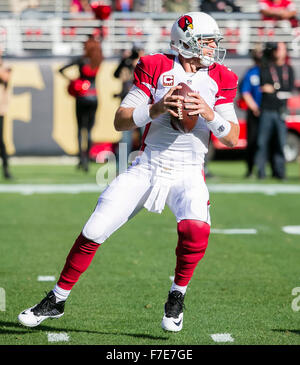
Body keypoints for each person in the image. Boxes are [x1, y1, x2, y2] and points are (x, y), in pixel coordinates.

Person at [18, 12, 239, 333]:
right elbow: (120, 120)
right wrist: (159, 107)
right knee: (95, 228)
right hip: (146, 165)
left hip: (189, 171)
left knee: (196, 230)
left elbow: (231, 137)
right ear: (186, 42)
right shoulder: (155, 66)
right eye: (206, 42)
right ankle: (57, 300)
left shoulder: (221, 76)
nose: (212, 48)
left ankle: (177, 296)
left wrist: (207, 112)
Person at [58, 36, 103, 172]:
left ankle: (80, 159)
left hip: (82, 96)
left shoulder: (81, 60)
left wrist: (73, 81)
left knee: (80, 128)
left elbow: (61, 69)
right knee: (89, 130)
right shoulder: (98, 60)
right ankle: (87, 161)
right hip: (94, 96)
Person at [255, 42, 295, 180]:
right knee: (262, 142)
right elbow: (263, 86)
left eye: (282, 49)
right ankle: (261, 172)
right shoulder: (266, 67)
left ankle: (280, 173)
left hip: (280, 111)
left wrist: (274, 89)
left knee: (280, 142)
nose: (279, 52)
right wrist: (277, 89)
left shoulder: (288, 69)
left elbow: (288, 89)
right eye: (277, 49)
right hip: (266, 110)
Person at [113, 44, 145, 165]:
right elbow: (115, 74)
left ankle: (146, 163)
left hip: (142, 105)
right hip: (128, 104)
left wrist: (139, 61)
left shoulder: (145, 64)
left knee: (145, 135)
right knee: (126, 137)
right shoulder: (126, 64)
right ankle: (120, 165)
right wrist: (124, 61)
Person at [239, 45, 263, 178]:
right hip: (254, 113)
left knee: (264, 142)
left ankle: (263, 170)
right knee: (253, 141)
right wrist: (255, 108)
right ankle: (250, 169)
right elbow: (245, 92)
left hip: (267, 112)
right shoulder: (251, 72)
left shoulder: (269, 71)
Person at [0, 49, 12, 180]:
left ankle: (6, 169)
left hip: (0, 110)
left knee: (1, 141)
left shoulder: (5, 67)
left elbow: (5, 77)